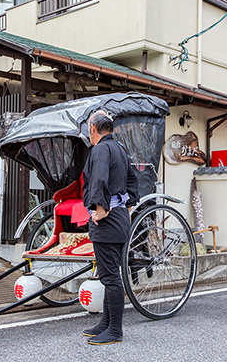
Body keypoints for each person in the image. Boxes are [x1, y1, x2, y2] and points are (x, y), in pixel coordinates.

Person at [81, 110, 139, 345]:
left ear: (93, 129)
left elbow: (98, 179)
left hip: (106, 219)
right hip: (119, 218)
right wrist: (129, 204)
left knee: (110, 277)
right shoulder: (120, 149)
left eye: (88, 129)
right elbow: (133, 179)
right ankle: (106, 323)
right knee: (109, 274)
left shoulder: (101, 149)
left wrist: (101, 207)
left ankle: (115, 330)